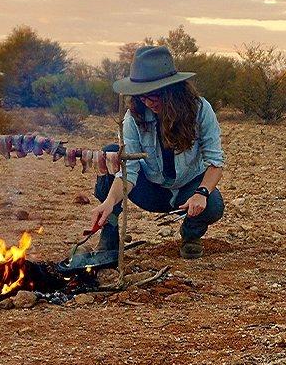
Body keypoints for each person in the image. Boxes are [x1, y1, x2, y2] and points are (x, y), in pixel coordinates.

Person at [90, 46, 224, 259]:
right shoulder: (133, 117)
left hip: (187, 191)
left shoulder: (200, 109)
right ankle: (109, 238)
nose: (148, 102)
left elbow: (215, 162)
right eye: (142, 97)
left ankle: (191, 235)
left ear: (172, 90)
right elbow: (128, 172)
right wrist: (109, 201)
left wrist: (202, 193)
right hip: (151, 191)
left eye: (154, 95)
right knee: (111, 155)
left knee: (214, 204)